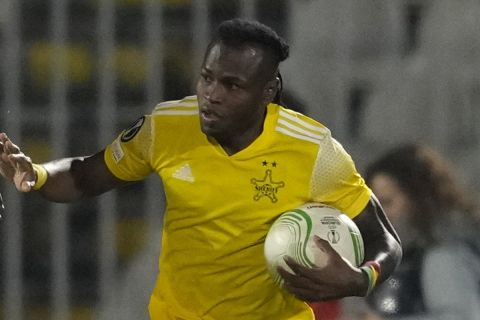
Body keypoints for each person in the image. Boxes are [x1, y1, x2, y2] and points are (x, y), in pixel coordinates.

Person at [0, 19, 401, 320]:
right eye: (207, 78)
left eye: (232, 85)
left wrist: (360, 279)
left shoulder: (313, 149)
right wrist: (36, 174)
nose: (211, 95)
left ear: (268, 92)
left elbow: (386, 241)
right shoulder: (167, 127)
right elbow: (86, 175)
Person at [364, 143, 480, 320]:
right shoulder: (406, 256)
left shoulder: (443, 253)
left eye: (387, 202)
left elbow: (459, 316)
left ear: (417, 200)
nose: (380, 214)